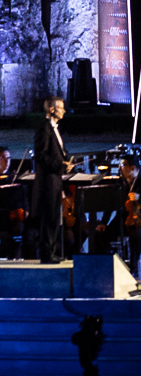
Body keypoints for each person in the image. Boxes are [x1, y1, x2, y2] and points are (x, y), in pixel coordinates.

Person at [33, 97, 72, 263]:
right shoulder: (44, 129)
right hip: (48, 181)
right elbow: (40, 155)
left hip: (56, 179)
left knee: (55, 216)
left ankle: (52, 251)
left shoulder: (55, 129)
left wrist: (66, 163)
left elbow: (58, 152)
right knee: (48, 216)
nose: (64, 111)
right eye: (61, 108)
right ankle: (46, 253)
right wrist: (59, 165)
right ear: (51, 109)